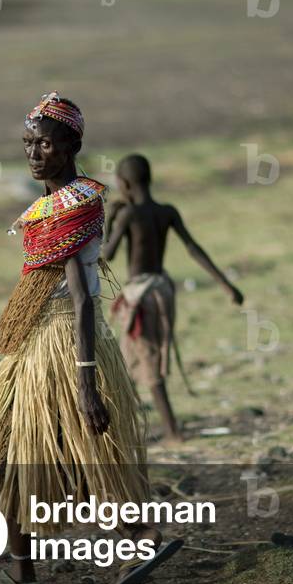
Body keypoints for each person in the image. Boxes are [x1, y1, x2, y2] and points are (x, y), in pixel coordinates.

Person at [0, 93, 181, 584]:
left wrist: (86, 382)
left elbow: (87, 300)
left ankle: (142, 535)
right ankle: (22, 568)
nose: (33, 153)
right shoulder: (52, 205)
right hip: (36, 346)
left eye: (44, 144)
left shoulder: (77, 204)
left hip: (67, 346)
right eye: (28, 144)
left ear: (71, 147)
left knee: (80, 453)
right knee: (9, 451)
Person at [103, 153, 244, 442]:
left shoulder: (129, 214)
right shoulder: (167, 211)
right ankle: (131, 429)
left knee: (146, 358)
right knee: (142, 356)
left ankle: (171, 432)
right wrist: (227, 285)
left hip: (142, 295)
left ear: (124, 184)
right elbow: (193, 248)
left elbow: (108, 254)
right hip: (162, 289)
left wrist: (110, 221)